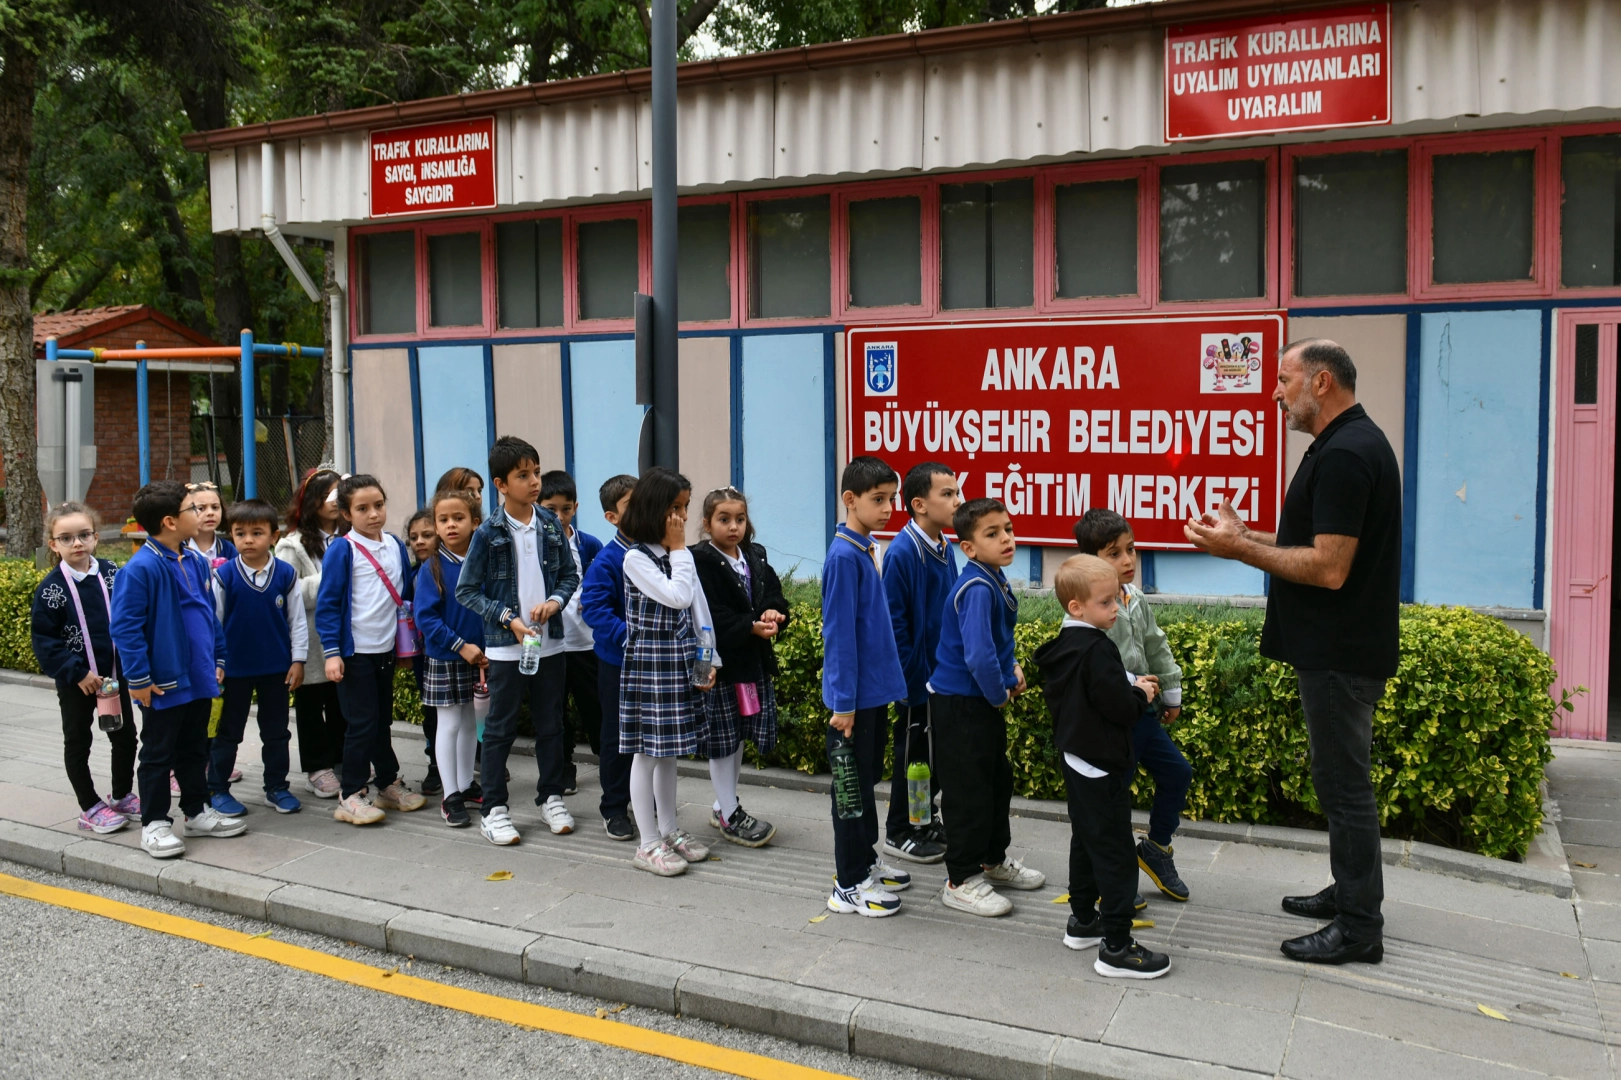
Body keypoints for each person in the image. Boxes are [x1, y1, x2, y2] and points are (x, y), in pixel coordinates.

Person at [1185, 338, 1400, 967]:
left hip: (1340, 652)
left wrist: (1238, 550)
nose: (1275, 392)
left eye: (1284, 380)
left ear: (1322, 382)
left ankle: (1359, 927)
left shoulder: (1347, 453)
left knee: (1344, 787)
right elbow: (1316, 543)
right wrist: (1246, 535)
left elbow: (1329, 568)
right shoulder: (1345, 444)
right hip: (1338, 647)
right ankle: (1349, 891)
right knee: (1339, 783)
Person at [1032, 555, 1170, 980]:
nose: (1116, 608)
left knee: (1086, 840)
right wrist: (1141, 694)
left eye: (1117, 599)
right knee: (1115, 853)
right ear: (1077, 607)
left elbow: (1090, 689)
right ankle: (1116, 946)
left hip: (1077, 759)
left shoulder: (1068, 643)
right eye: (1106, 602)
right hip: (1102, 763)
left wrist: (1127, 683)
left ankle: (1082, 920)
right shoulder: (1098, 649)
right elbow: (1119, 708)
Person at [109, 480, 247, 859]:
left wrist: (218, 657)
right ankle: (154, 823)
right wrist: (138, 677)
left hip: (198, 675)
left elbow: (208, 615)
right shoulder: (141, 568)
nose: (201, 513)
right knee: (158, 752)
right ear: (170, 521)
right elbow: (125, 628)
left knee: (194, 747)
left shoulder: (195, 560)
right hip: (162, 682)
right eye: (193, 508)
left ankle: (196, 811)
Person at [455, 436, 580, 845]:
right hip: (506, 648)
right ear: (501, 484)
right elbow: (466, 590)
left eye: (536, 473)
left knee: (551, 724)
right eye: (523, 475)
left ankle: (551, 797)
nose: (534, 482)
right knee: (499, 728)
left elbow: (569, 575)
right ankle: (494, 809)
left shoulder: (550, 524)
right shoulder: (487, 532)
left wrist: (555, 601)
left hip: (550, 643)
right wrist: (508, 619)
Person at [929, 498, 1045, 917]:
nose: (1006, 539)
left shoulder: (992, 576)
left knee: (996, 782)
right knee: (968, 792)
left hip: (979, 702)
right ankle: (960, 880)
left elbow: (994, 642)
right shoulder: (977, 587)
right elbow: (977, 657)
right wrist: (999, 694)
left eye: (1008, 529)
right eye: (992, 534)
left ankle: (992, 860)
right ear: (969, 547)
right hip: (961, 704)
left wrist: (1011, 667)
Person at [1074, 508, 1192, 904]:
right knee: (1113, 800)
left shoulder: (1135, 597)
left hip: (1143, 714)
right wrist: (1131, 684)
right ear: (1090, 560)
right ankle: (1112, 880)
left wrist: (1170, 692)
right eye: (1114, 553)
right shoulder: (1085, 608)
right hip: (1111, 722)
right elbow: (1091, 665)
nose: (1128, 560)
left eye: (1131, 549)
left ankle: (1156, 849)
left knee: (1177, 772)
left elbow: (1156, 646)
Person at [822, 456, 911, 917]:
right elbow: (839, 636)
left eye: (891, 499)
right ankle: (849, 883)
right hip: (852, 703)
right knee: (849, 793)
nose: (888, 508)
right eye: (878, 499)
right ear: (850, 499)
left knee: (866, 780)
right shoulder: (843, 557)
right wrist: (843, 704)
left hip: (871, 695)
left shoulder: (866, 548)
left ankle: (865, 860)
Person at [617, 467, 717, 876]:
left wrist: (708, 660)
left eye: (685, 507)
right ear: (653, 508)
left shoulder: (677, 555)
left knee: (670, 752)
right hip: (651, 663)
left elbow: (698, 610)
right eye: (675, 507)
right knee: (646, 754)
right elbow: (677, 596)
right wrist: (679, 550)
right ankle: (647, 843)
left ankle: (669, 829)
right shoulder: (636, 558)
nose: (682, 517)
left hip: (679, 660)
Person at [314, 474, 428, 826]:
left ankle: (387, 784)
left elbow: (404, 595)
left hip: (386, 650)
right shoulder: (342, 549)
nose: (373, 514)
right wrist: (332, 653)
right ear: (346, 513)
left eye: (378, 505)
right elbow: (328, 604)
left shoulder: (394, 544)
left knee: (380, 721)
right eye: (362, 508)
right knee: (361, 723)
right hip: (355, 653)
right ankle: (350, 794)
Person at [30, 501, 138, 834]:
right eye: (66, 538)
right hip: (76, 681)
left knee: (126, 737)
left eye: (84, 535)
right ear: (53, 544)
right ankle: (89, 806)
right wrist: (77, 673)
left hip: (114, 679)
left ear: (95, 537)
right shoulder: (51, 590)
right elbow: (45, 640)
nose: (77, 543)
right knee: (78, 742)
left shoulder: (111, 572)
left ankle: (121, 794)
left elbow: (130, 616)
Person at [690, 486, 788, 847]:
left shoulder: (754, 555)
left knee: (738, 736)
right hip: (716, 666)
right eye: (724, 519)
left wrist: (774, 612)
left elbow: (773, 592)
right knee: (721, 739)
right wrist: (749, 626)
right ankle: (730, 814)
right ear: (706, 523)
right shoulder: (699, 560)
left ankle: (723, 803)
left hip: (749, 663)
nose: (734, 526)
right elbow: (708, 614)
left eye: (740, 519)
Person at [207, 498, 307, 816]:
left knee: (276, 732)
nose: (248, 540)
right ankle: (217, 788)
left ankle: (276, 787)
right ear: (231, 536)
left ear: (274, 536)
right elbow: (214, 622)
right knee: (228, 732)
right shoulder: (224, 576)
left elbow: (297, 621)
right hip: (234, 670)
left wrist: (298, 660)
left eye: (257, 533)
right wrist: (216, 662)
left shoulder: (286, 574)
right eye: (240, 533)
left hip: (276, 669)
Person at [881, 461, 960, 865]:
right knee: (912, 755)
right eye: (947, 494)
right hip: (918, 680)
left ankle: (925, 820)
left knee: (933, 756)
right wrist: (909, 679)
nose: (957, 501)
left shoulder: (944, 546)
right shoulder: (903, 551)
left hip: (942, 676)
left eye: (957, 492)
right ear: (919, 504)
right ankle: (900, 831)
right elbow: (895, 624)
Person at [414, 489, 488, 827]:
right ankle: (450, 795)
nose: (451, 525)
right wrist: (460, 645)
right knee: (450, 724)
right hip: (447, 656)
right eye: (443, 520)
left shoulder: (483, 562)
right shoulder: (431, 569)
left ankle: (466, 783)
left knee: (471, 722)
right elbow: (426, 618)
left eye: (459, 518)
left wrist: (486, 649)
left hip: (480, 657)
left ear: (475, 522)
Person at [279, 468, 347, 799]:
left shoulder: (350, 537)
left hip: (344, 636)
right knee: (310, 704)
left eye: (339, 495)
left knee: (340, 702)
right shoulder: (292, 545)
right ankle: (317, 767)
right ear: (311, 501)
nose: (333, 502)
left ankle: (342, 759)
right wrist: (332, 579)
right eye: (326, 496)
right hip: (310, 638)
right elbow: (287, 591)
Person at [579, 474, 637, 841]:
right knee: (616, 735)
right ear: (611, 517)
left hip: (651, 664)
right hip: (617, 663)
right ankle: (614, 807)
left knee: (647, 736)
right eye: (632, 505)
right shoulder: (607, 560)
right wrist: (629, 637)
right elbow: (595, 610)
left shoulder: (657, 552)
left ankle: (643, 797)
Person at [538, 470, 603, 798]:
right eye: (550, 509)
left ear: (575, 508)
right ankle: (563, 768)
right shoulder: (534, 546)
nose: (559, 516)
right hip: (550, 644)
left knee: (596, 707)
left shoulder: (589, 544)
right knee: (555, 711)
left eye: (566, 509)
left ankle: (610, 762)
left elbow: (602, 585)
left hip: (585, 642)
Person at [406, 507, 443, 796]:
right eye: (414, 537)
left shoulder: (449, 569)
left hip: (453, 651)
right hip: (425, 655)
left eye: (427, 535)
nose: (419, 541)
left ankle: (476, 756)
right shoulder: (413, 574)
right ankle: (435, 763)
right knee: (432, 711)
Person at [183, 481, 236, 566]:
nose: (210, 513)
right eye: (201, 508)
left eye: (215, 507)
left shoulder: (228, 549)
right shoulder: (178, 548)